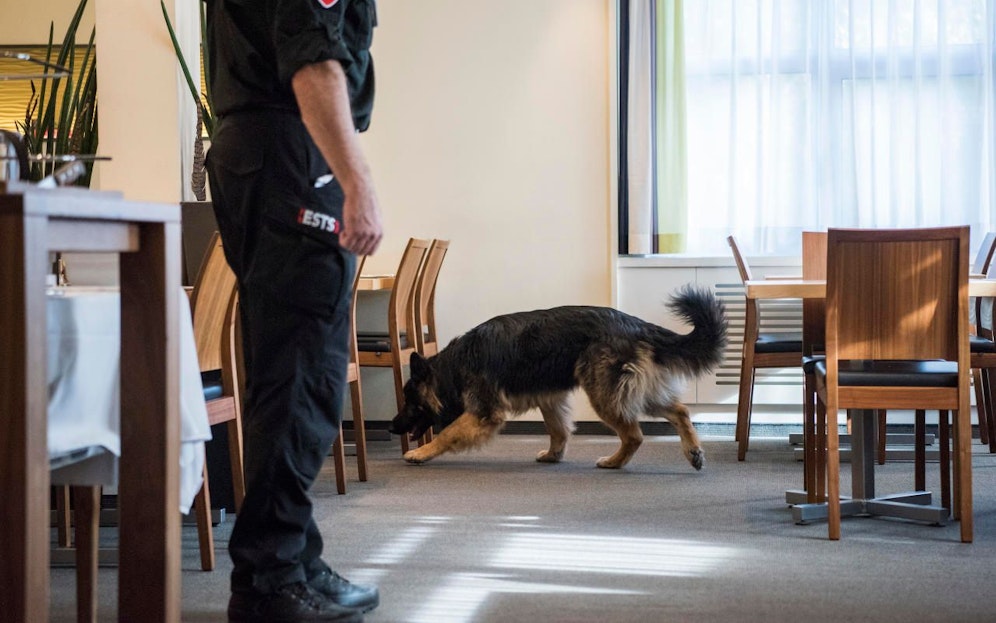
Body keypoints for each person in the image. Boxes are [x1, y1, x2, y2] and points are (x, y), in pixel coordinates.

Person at [203, 1, 383, 621]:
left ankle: (292, 559)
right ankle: (271, 578)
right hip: (290, 155)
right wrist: (356, 182)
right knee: (306, 375)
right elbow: (314, 62)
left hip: (254, 154)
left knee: (282, 369)